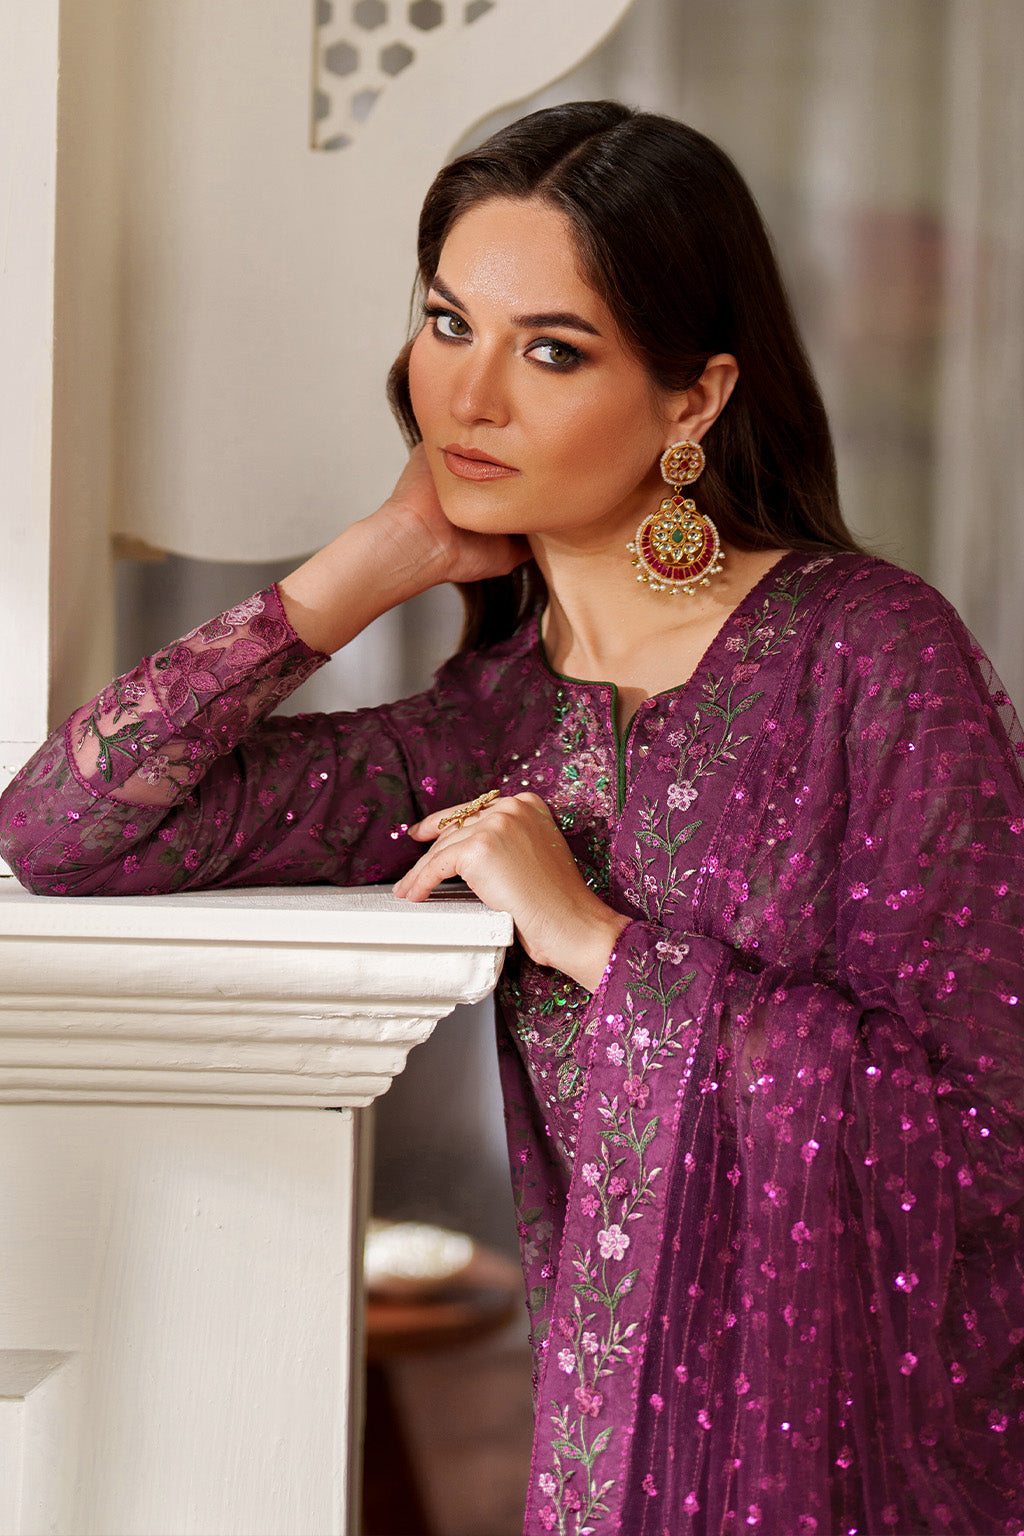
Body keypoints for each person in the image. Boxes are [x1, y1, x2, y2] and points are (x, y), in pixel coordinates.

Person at [2, 100, 1022, 1535]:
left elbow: (984, 1138)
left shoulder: (870, 656)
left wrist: (599, 943)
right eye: (447, 324)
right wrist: (373, 561)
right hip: (609, 1464)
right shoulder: (486, 725)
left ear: (694, 401)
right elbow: (65, 828)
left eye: (552, 350)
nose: (469, 400)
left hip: (853, 1474)